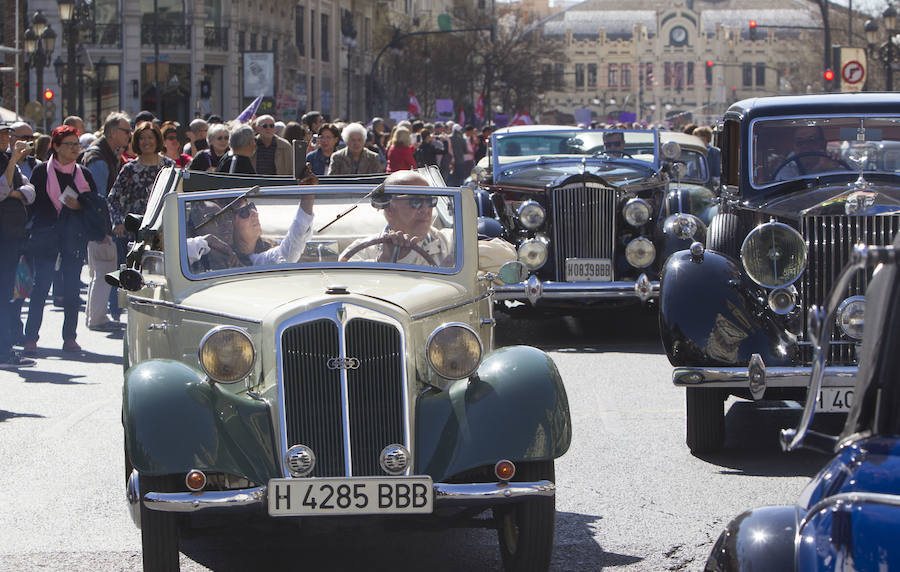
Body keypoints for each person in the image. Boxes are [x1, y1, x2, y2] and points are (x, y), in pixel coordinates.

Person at [23, 126, 99, 354]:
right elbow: (31, 206)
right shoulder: (41, 172)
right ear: (55, 146)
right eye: (70, 144)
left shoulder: (83, 174)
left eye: (77, 144)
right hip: (46, 236)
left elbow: (95, 205)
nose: (76, 149)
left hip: (73, 238)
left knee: (72, 290)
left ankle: (70, 338)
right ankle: (31, 338)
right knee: (41, 288)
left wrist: (81, 205)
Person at [187, 191, 316, 269]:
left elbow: (288, 253)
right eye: (244, 212)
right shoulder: (197, 256)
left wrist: (308, 197)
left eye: (252, 207)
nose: (254, 213)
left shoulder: (254, 261)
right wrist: (205, 242)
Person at [0, 138, 36, 367]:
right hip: (4, 238)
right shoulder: (8, 160)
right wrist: (13, 161)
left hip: (11, 237)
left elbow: (30, 191)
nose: (7, 139)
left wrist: (15, 191)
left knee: (6, 295)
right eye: (3, 133)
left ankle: (5, 349)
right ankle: (3, 352)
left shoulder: (4, 158)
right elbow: (2, 190)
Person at [775, 125, 841, 180]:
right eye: (800, 142)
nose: (805, 146)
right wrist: (820, 169)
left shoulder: (836, 168)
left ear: (823, 144)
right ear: (794, 147)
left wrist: (831, 170)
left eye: (812, 140)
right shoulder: (786, 170)